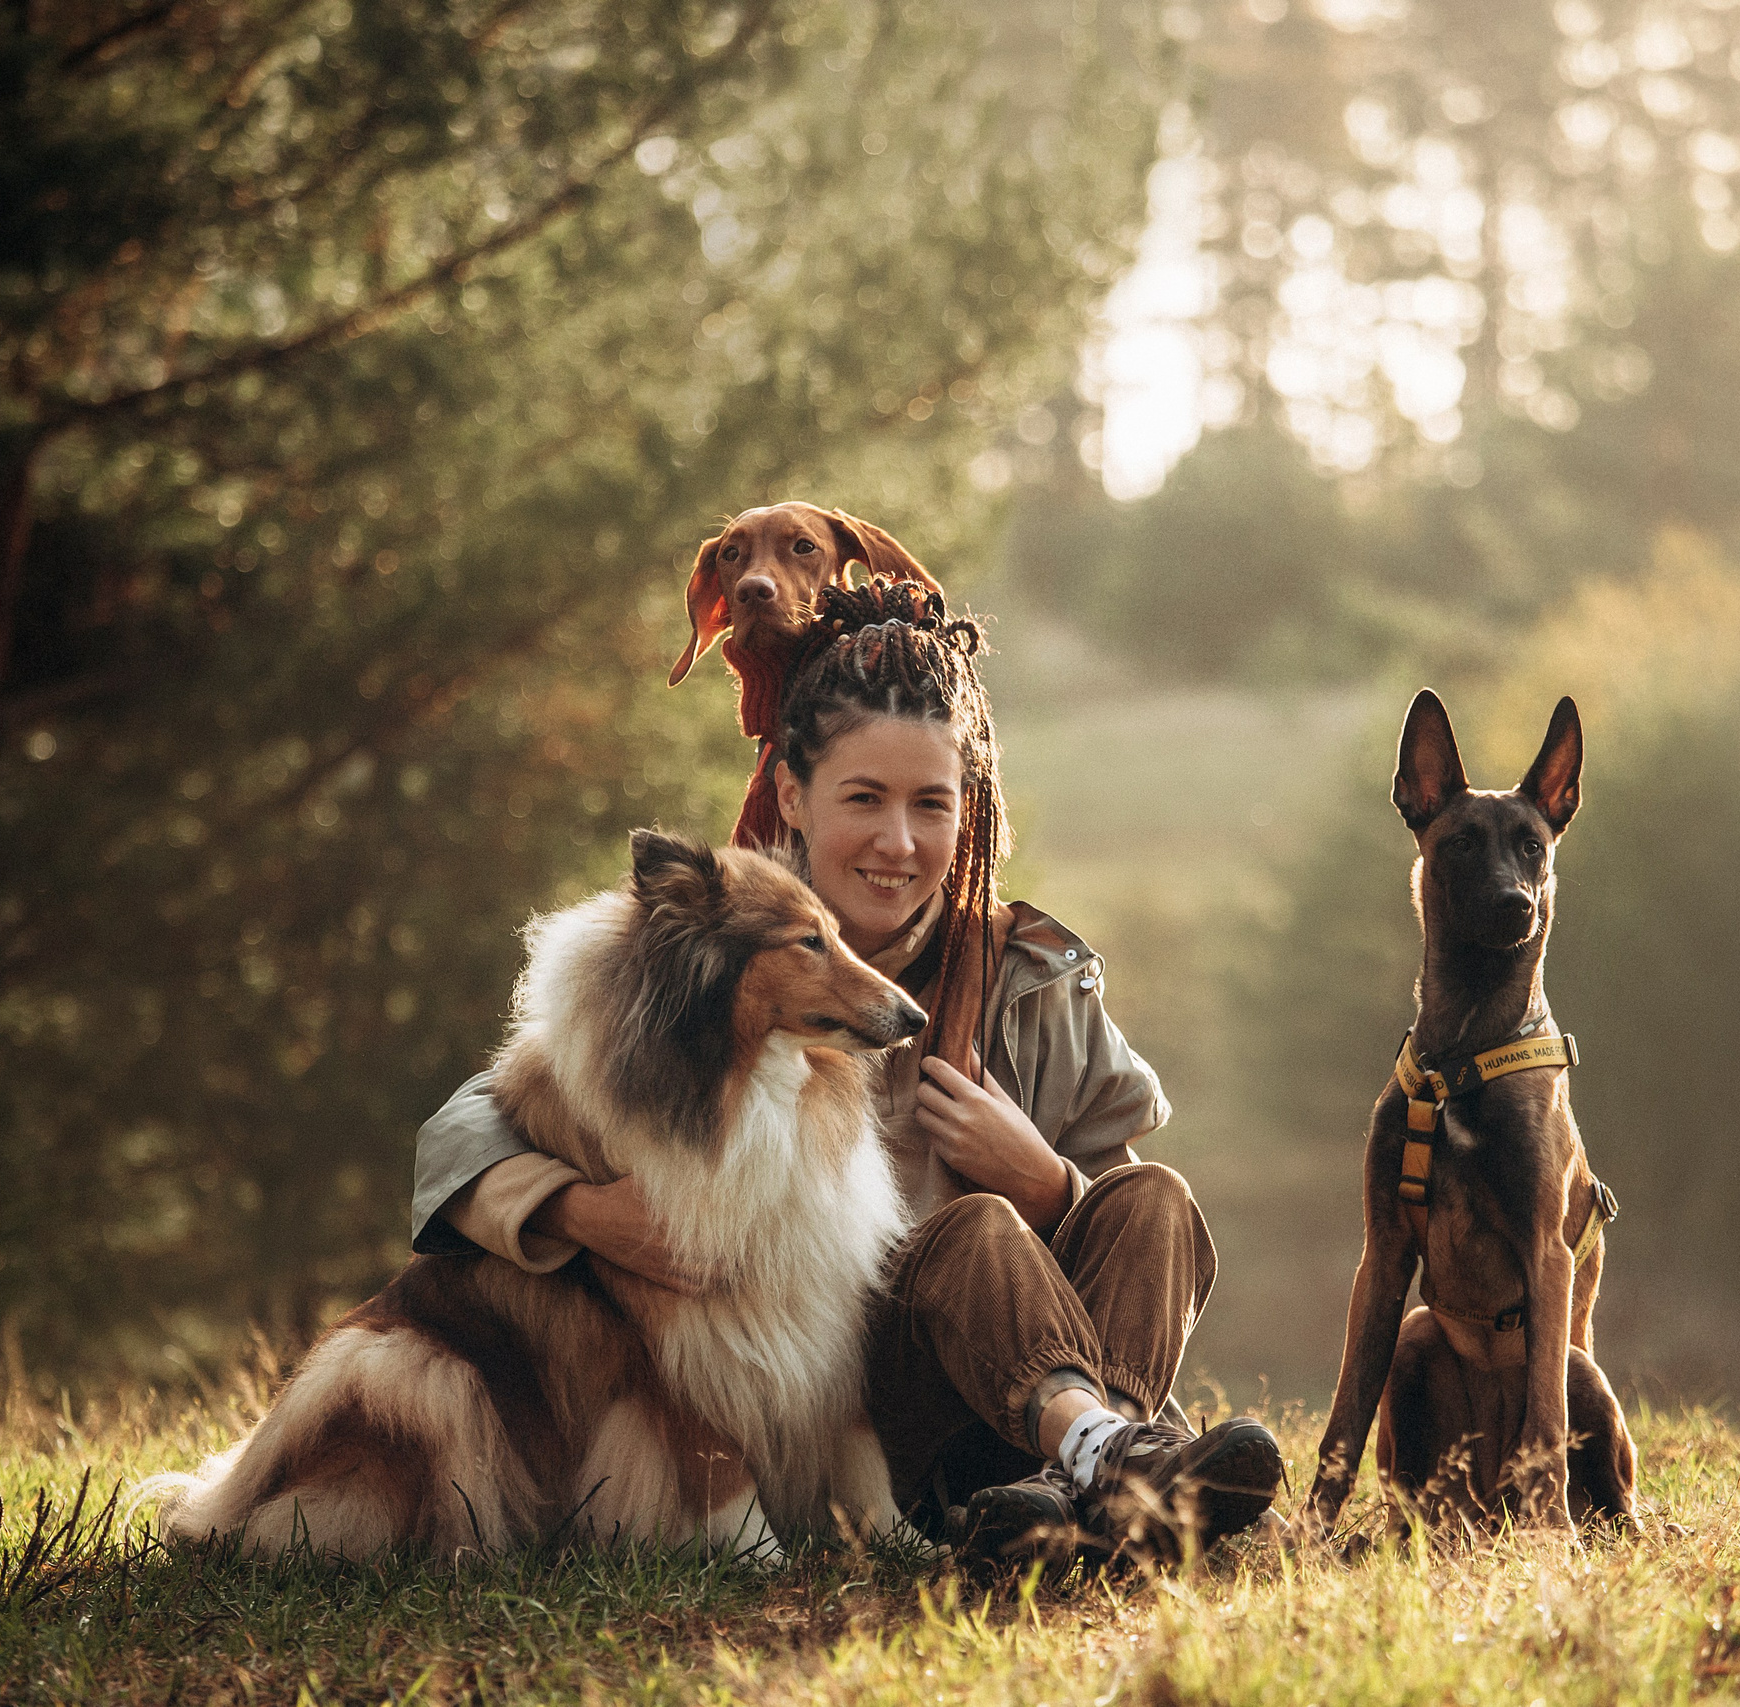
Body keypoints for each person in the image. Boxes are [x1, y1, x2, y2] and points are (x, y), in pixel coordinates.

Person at [409, 579, 1282, 1563]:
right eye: (862, 799)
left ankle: (1087, 1487)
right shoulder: (723, 952)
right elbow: (464, 1127)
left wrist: (1047, 1179)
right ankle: (1107, 1475)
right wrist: (572, 1212)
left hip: (1042, 1403)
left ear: (970, 811)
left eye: (931, 805)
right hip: (874, 1412)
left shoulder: (1040, 978)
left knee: (1153, 1197)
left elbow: (1125, 1246)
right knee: (973, 1233)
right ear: (791, 794)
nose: (897, 842)